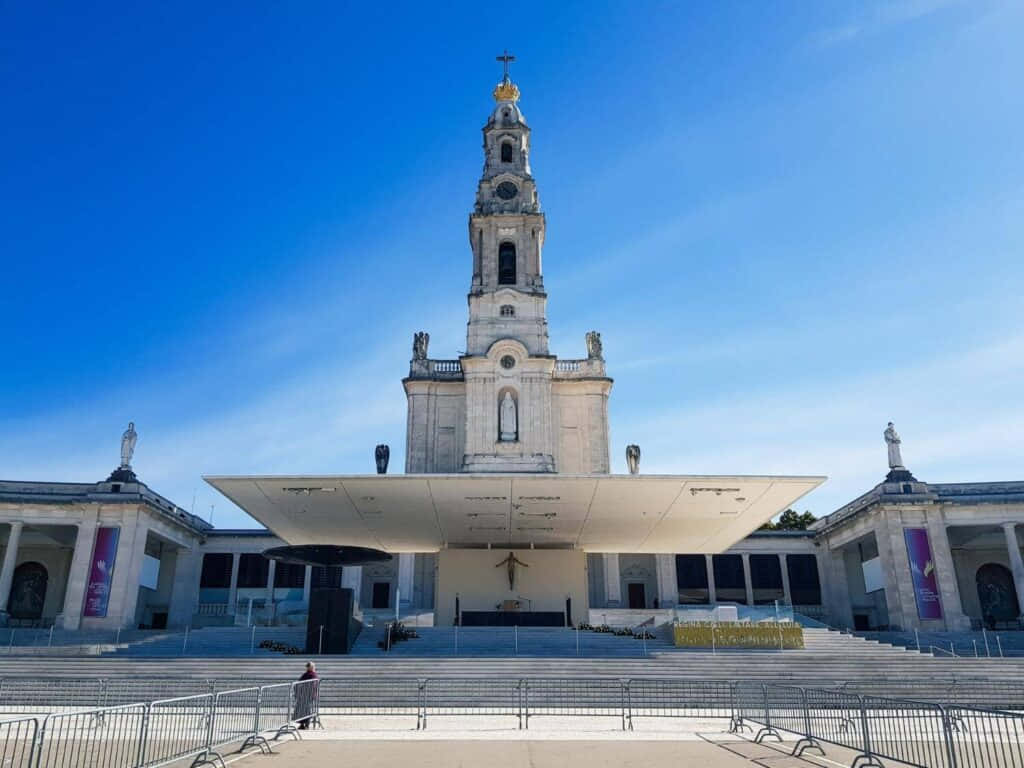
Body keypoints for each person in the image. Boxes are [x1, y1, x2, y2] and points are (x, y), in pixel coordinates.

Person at [295, 661, 319, 730]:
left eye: (309, 666)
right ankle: (302, 724)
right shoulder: (306, 674)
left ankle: (306, 724)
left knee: (307, 710)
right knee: (301, 709)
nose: (308, 667)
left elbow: (313, 684)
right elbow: (299, 681)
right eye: (307, 666)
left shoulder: (313, 674)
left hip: (308, 695)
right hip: (303, 695)